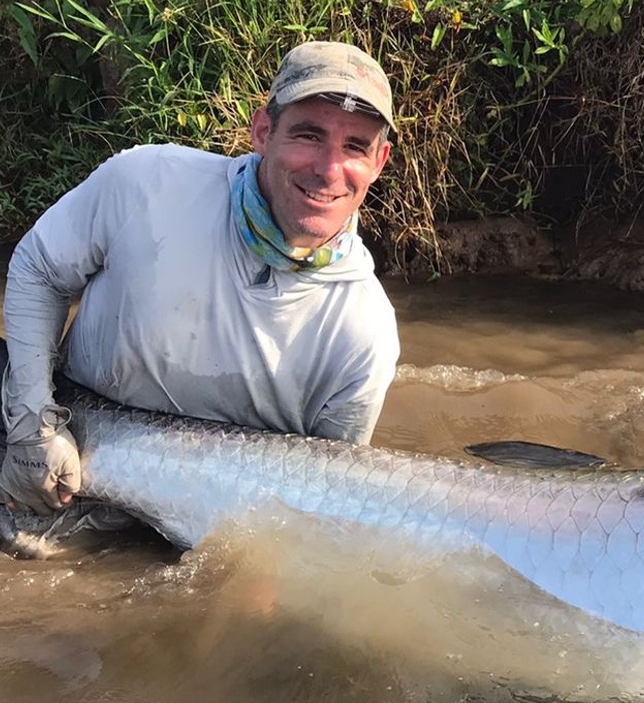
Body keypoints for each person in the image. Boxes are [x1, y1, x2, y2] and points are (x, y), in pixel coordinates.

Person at [1, 40, 401, 516]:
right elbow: (38, 269)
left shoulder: (366, 334)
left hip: (194, 515)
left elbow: (322, 504)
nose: (329, 169)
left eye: (355, 146)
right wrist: (31, 425)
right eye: (308, 136)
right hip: (63, 430)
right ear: (262, 131)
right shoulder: (147, 181)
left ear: (379, 163)